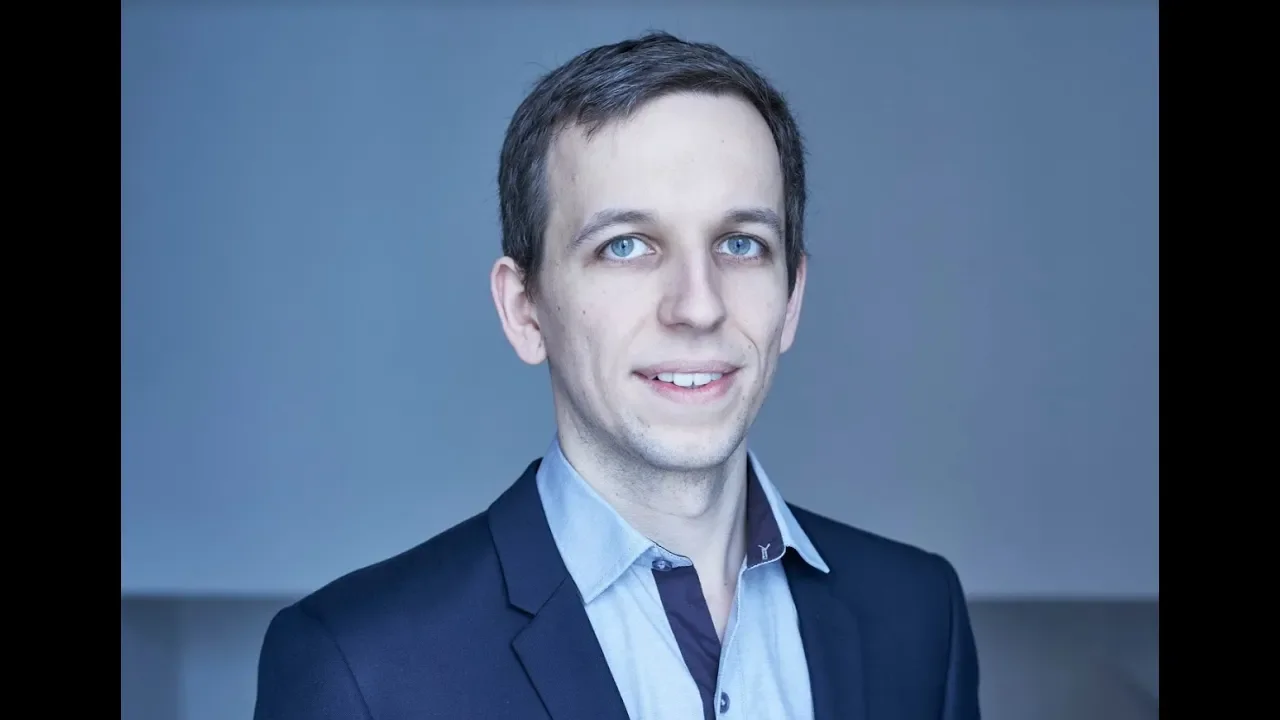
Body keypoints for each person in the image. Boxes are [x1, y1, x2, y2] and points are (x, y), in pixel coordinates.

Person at [253, 31, 980, 720]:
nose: (698, 306)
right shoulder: (360, 665)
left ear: (791, 300)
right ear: (524, 310)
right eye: (626, 245)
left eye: (740, 243)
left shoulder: (920, 616)